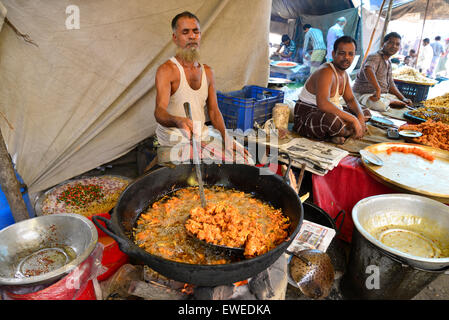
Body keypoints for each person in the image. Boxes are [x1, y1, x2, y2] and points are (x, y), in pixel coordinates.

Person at [154, 11, 248, 163]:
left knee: (245, 160)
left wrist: (226, 137)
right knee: (218, 165)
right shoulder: (167, 70)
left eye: (196, 31)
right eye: (185, 32)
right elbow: (159, 112)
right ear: (175, 38)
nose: (192, 36)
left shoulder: (208, 72)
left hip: (201, 134)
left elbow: (214, 111)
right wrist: (177, 120)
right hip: (175, 136)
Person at [293, 36, 371, 144]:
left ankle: (340, 132)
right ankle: (344, 131)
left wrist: (360, 119)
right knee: (331, 121)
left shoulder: (344, 74)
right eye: (342, 53)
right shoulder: (326, 71)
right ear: (334, 54)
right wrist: (353, 120)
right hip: (308, 114)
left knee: (365, 111)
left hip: (329, 111)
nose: (346, 57)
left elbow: (351, 100)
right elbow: (323, 104)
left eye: (350, 54)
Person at [352, 32, 413, 112]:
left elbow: (391, 85)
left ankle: (389, 102)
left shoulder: (389, 63)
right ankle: (389, 103)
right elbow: (368, 69)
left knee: (403, 104)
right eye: (390, 43)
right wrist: (377, 89)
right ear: (383, 43)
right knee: (381, 105)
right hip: (364, 95)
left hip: (382, 96)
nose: (394, 46)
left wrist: (403, 98)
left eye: (397, 44)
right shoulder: (375, 56)